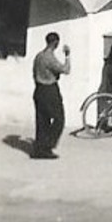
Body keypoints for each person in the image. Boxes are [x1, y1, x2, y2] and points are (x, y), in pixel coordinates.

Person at [30, 32, 71, 160]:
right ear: (55, 43)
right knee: (59, 119)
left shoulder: (38, 56)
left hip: (38, 89)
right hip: (50, 89)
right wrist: (67, 56)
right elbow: (66, 70)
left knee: (42, 120)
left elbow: (33, 73)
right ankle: (47, 146)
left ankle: (39, 148)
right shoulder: (49, 58)